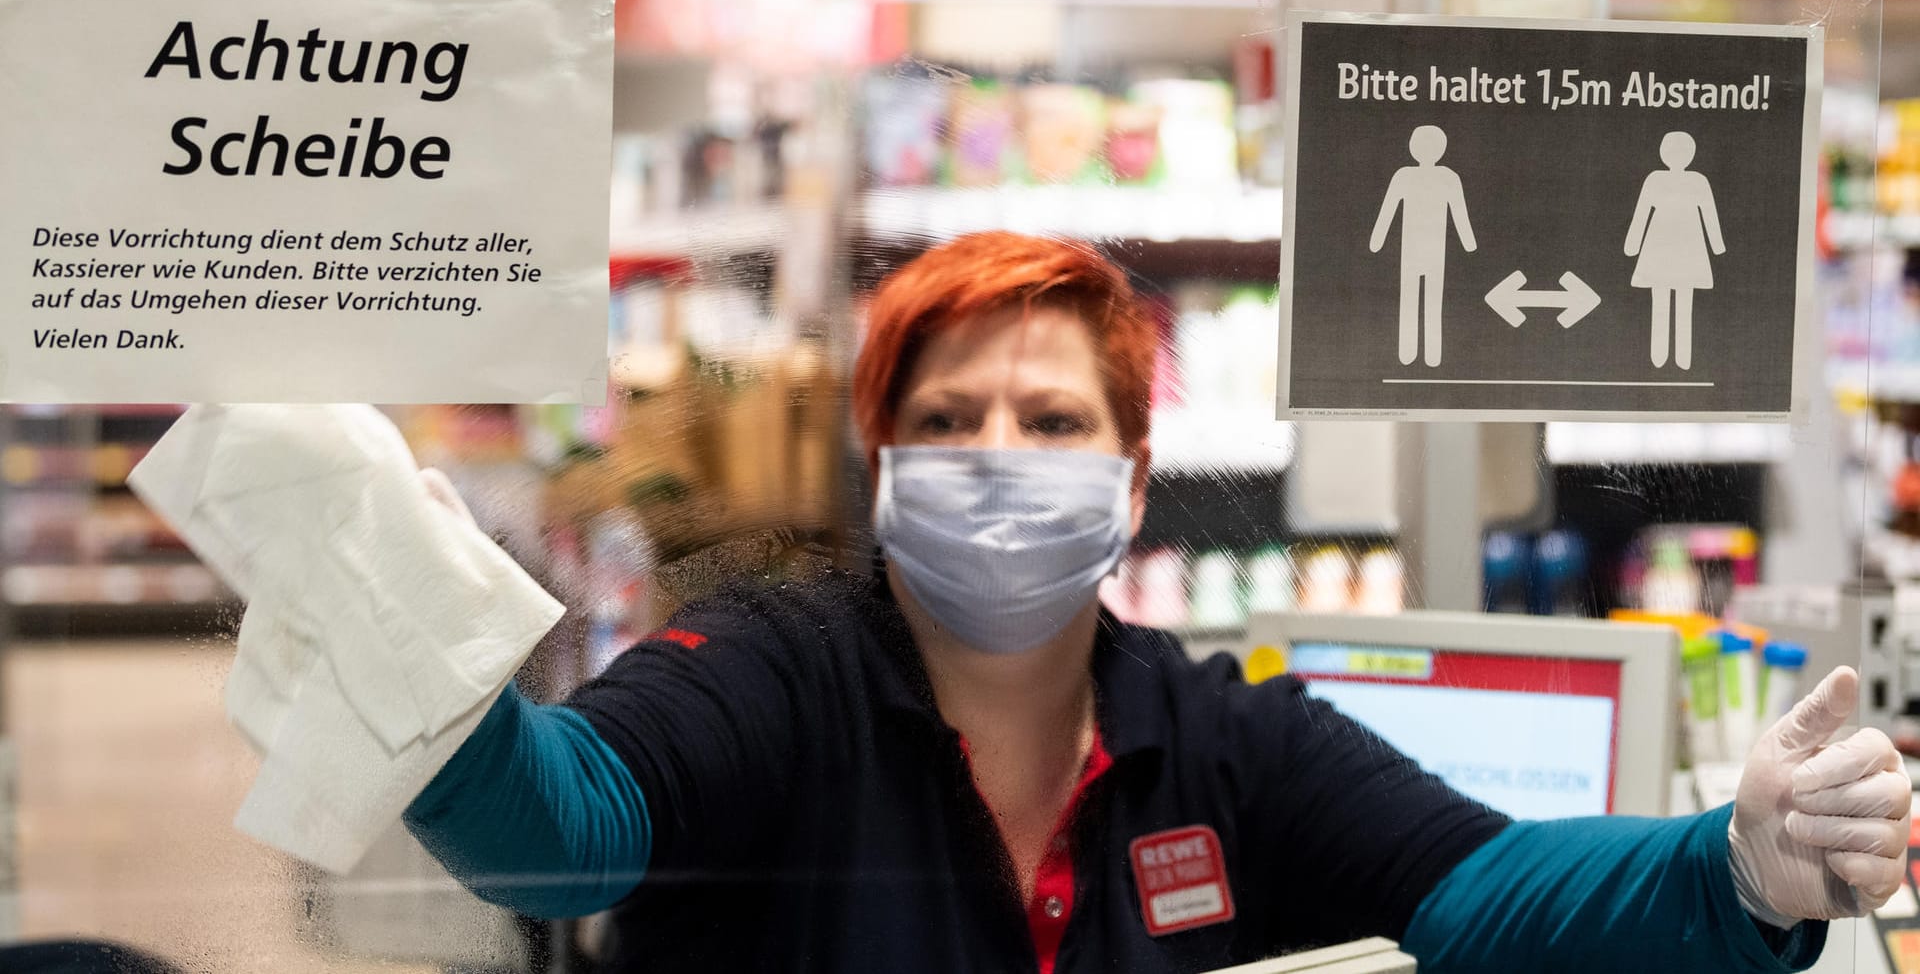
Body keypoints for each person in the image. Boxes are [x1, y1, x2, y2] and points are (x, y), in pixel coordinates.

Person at [403, 231, 1907, 973]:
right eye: (946, 420)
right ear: (882, 476)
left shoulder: (1215, 733)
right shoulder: (771, 664)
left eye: (1052, 423)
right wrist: (410, 647)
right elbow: (551, 837)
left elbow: (1483, 888)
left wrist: (1742, 866)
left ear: (1130, 489)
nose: (996, 455)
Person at [1369, 125, 1477, 368]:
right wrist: (1469, 244)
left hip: (1420, 250)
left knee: (1414, 298)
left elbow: (1459, 213)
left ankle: (1415, 354)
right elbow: (1389, 210)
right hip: (1427, 251)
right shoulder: (1443, 177)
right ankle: (1427, 356)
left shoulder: (1410, 175)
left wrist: (1377, 240)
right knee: (1428, 300)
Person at [1625, 130, 1725, 370]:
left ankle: (1675, 357)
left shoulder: (1689, 180)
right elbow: (1642, 212)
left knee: (1673, 298)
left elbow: (1709, 213)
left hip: (1672, 245)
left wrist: (1633, 244)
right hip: (1674, 246)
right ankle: (1667, 357)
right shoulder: (1668, 179)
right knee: (1671, 298)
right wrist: (1717, 246)